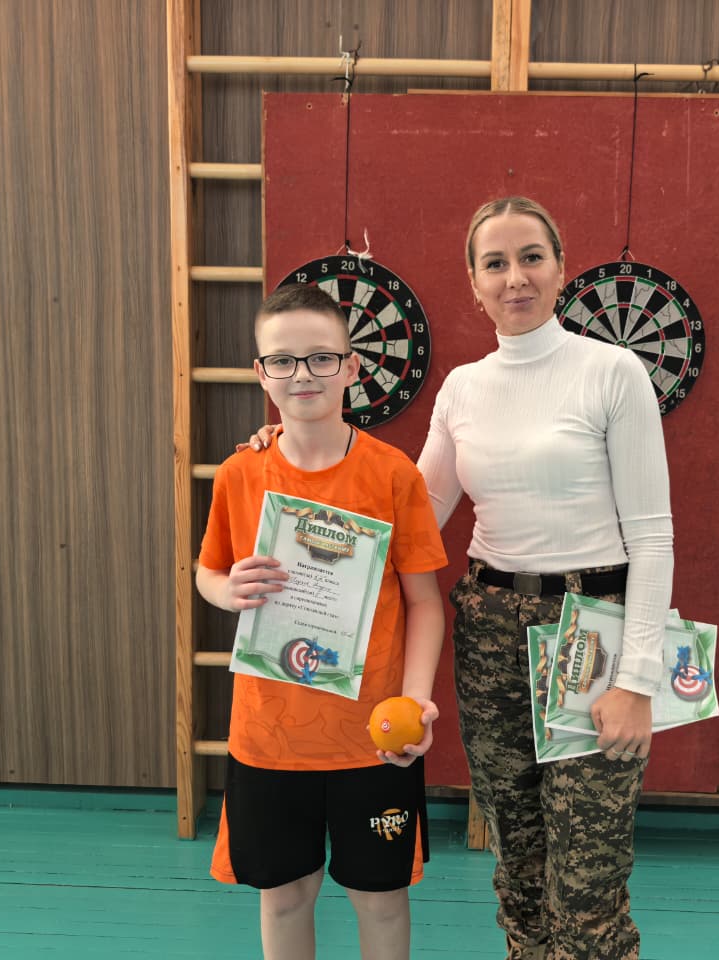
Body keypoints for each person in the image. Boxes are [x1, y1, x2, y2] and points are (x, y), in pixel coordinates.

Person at [247, 197, 673, 960]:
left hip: (592, 631)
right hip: (490, 624)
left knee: (588, 877)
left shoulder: (612, 372)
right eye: (495, 264)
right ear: (474, 284)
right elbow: (403, 516)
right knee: (518, 856)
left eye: (532, 257)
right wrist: (292, 443)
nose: (516, 278)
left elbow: (652, 535)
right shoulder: (464, 389)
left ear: (562, 267)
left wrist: (639, 679)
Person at [198, 282, 448, 960]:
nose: (302, 374)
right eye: (283, 360)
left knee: (381, 900)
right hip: (268, 736)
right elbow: (208, 572)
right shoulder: (239, 475)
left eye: (320, 357)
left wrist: (414, 700)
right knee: (283, 896)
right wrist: (225, 591)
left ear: (350, 366)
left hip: (374, 737)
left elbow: (425, 601)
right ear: (261, 373)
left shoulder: (394, 475)